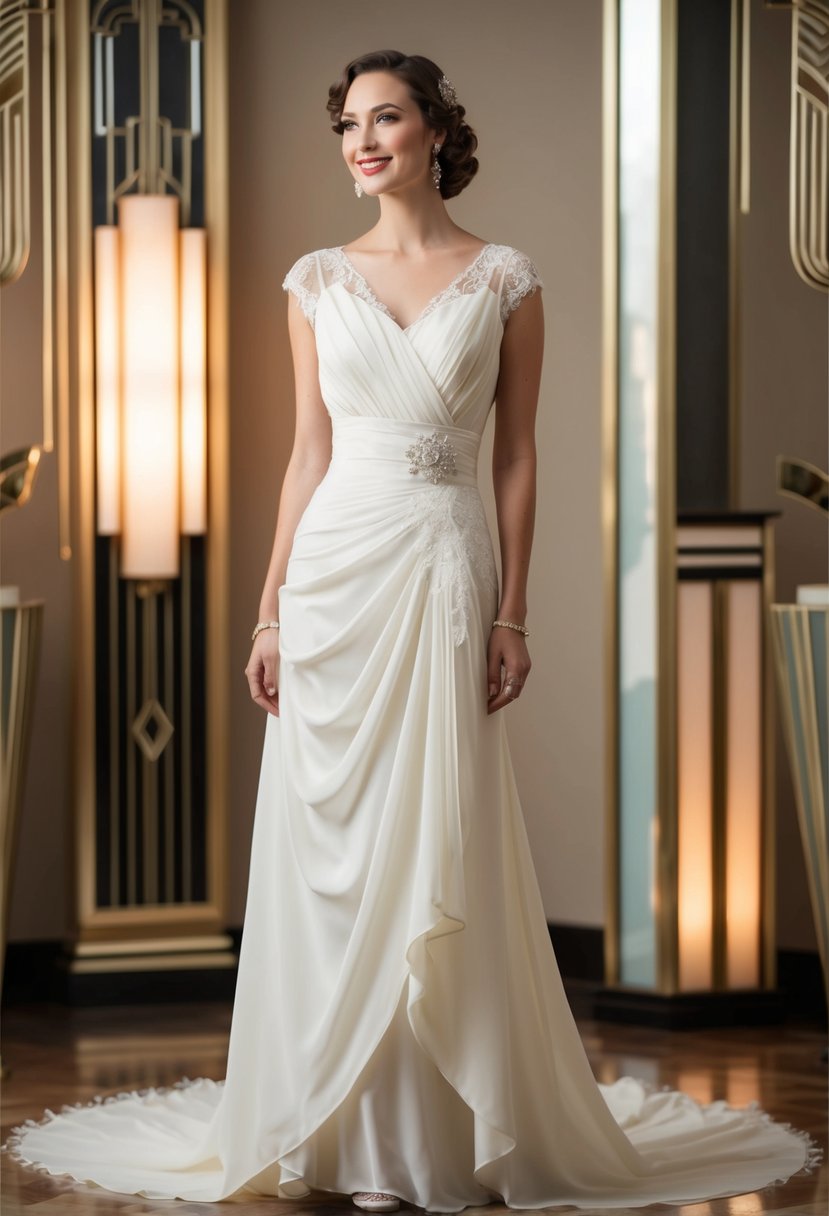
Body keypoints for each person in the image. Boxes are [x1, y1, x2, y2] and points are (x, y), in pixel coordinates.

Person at [3, 48, 821, 1213]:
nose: (363, 140)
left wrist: (512, 608)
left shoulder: (505, 280)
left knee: (430, 833)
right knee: (328, 846)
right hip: (334, 573)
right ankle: (322, 1127)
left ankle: (430, 1136)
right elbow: (307, 457)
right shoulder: (315, 280)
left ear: (438, 130)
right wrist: (270, 605)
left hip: (443, 565)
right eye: (348, 124)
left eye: (387, 117)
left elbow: (520, 456)